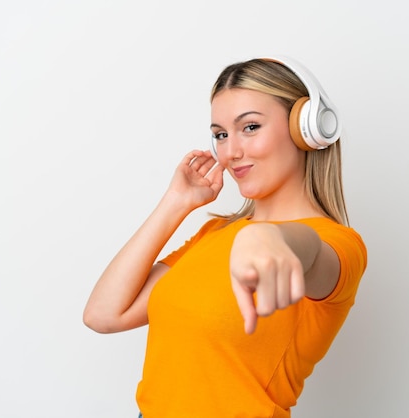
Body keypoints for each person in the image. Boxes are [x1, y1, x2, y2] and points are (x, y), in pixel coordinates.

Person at [83, 56, 368, 417]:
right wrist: (176, 203)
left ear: (305, 127)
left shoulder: (340, 245)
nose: (231, 152)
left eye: (250, 127)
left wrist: (273, 239)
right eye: (221, 134)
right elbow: (103, 314)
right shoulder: (214, 233)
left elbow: (311, 254)